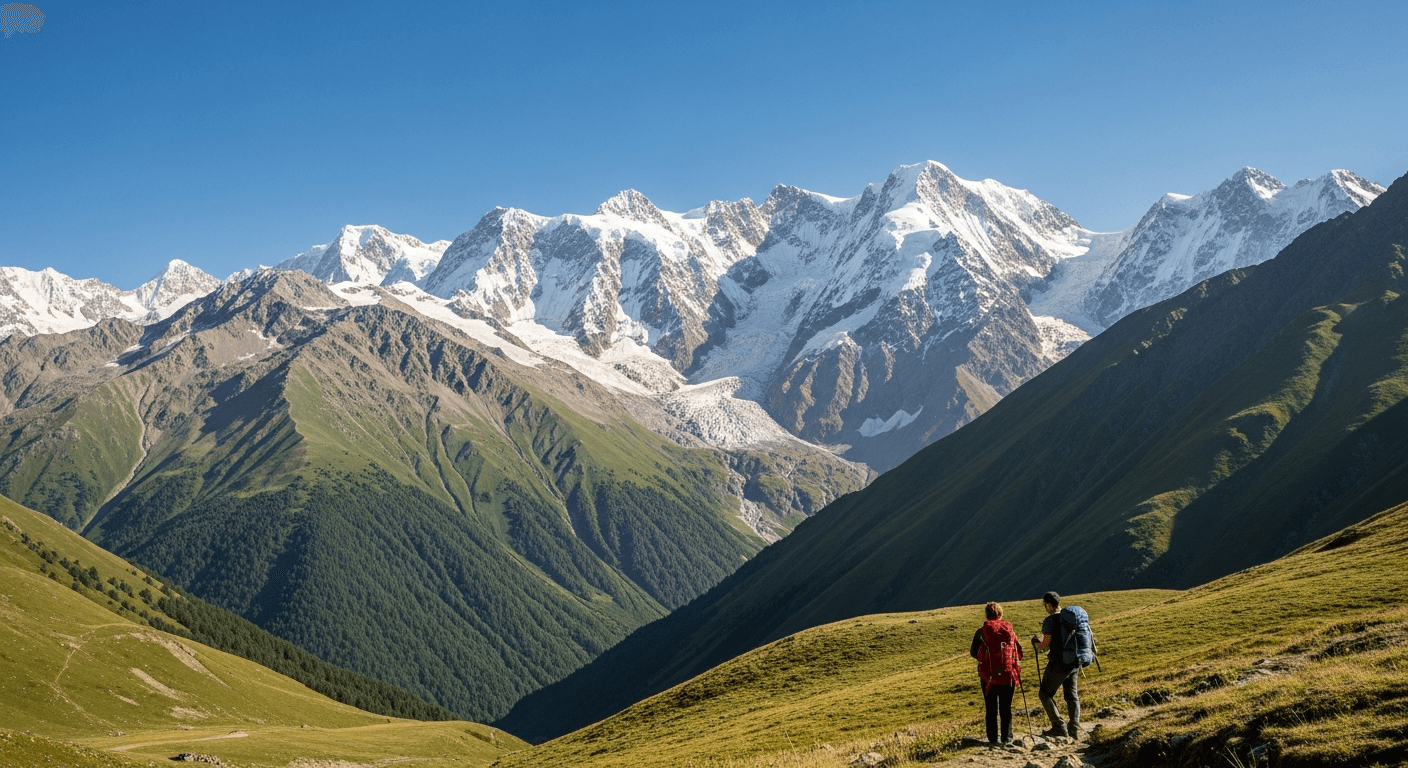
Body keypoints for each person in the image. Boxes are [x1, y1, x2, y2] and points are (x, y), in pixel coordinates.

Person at [970, 601, 1022, 747]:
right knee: (1006, 708)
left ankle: (993, 739)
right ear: (1000, 614)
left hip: (988, 676)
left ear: (987, 614)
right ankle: (1007, 738)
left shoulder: (981, 631)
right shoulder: (1009, 629)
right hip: (1008, 674)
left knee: (991, 708)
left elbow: (973, 652)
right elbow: (1018, 650)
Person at [1032, 591, 1080, 739]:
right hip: (1074, 660)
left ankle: (1059, 727)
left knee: (1045, 694)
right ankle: (1074, 728)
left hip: (1058, 662)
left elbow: (1045, 644)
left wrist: (1036, 644)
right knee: (1071, 695)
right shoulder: (1070, 618)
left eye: (1044, 605)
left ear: (1048, 605)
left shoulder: (1050, 621)